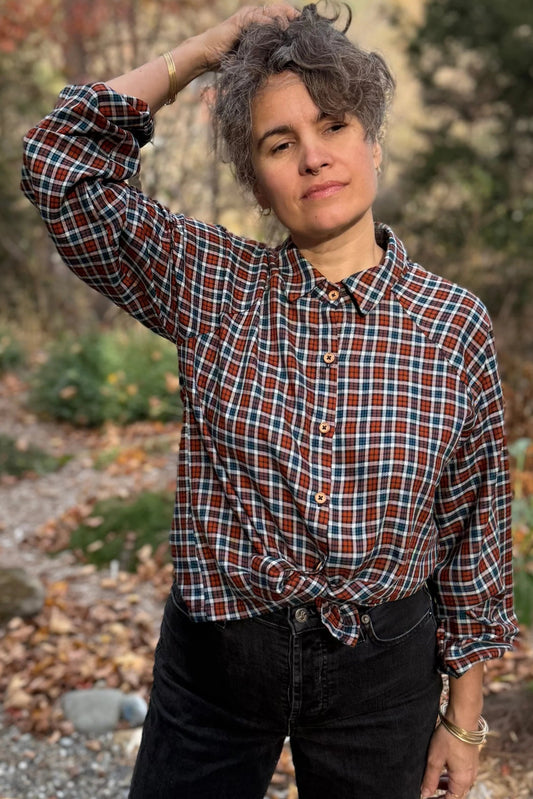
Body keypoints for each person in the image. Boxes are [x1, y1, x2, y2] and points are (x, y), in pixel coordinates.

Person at [21, 4, 518, 798]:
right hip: (216, 666)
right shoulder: (209, 281)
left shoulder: (451, 323)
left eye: (333, 126)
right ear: (255, 182)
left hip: (383, 680)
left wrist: (462, 719)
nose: (313, 157)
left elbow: (473, 531)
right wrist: (200, 52)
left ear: (373, 144)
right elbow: (58, 163)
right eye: (279, 144)